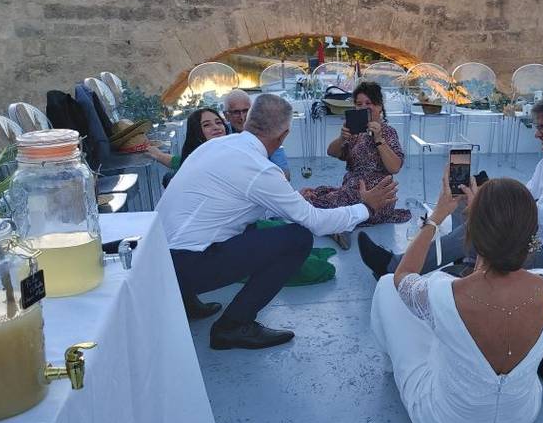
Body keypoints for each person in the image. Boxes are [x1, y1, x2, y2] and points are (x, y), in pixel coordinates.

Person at [156, 94, 399, 350]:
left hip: (156, 258)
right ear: (284, 135)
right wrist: (366, 207)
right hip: (182, 268)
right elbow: (316, 223)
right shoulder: (260, 169)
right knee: (297, 239)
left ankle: (186, 301)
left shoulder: (214, 147)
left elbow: (233, 203)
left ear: (249, 120)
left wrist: (291, 199)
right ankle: (233, 326)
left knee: (244, 224)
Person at [370, 171, 543, 423]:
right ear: (531, 235)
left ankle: (392, 367)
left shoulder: (443, 292)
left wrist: (436, 218)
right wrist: (478, 223)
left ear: (472, 233)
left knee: (387, 286)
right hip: (521, 416)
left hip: (446, 422)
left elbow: (404, 275)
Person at [360, 95, 543, 281]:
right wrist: (491, 196)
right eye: (537, 127)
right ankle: (468, 259)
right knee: (461, 195)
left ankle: (393, 267)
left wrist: (496, 203)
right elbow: (526, 197)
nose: (538, 134)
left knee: (480, 228)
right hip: (528, 236)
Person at [300, 81, 409, 248]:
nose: (363, 108)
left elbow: (395, 167)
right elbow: (332, 152)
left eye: (369, 103)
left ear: (379, 106)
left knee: (314, 206)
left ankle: (338, 227)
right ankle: (339, 225)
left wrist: (378, 139)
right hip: (351, 190)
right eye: (359, 104)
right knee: (310, 194)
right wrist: (342, 138)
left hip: (376, 196)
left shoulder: (387, 132)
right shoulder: (355, 132)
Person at [224, 89, 290, 179]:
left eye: (245, 111)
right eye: (236, 112)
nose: (242, 117)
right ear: (226, 116)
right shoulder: (220, 134)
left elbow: (284, 174)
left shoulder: (268, 133)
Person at [146, 107, 228, 171]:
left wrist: (159, 155)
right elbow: (181, 162)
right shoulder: (197, 163)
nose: (216, 127)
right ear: (196, 131)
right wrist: (158, 155)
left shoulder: (236, 150)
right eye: (206, 125)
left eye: (218, 122)